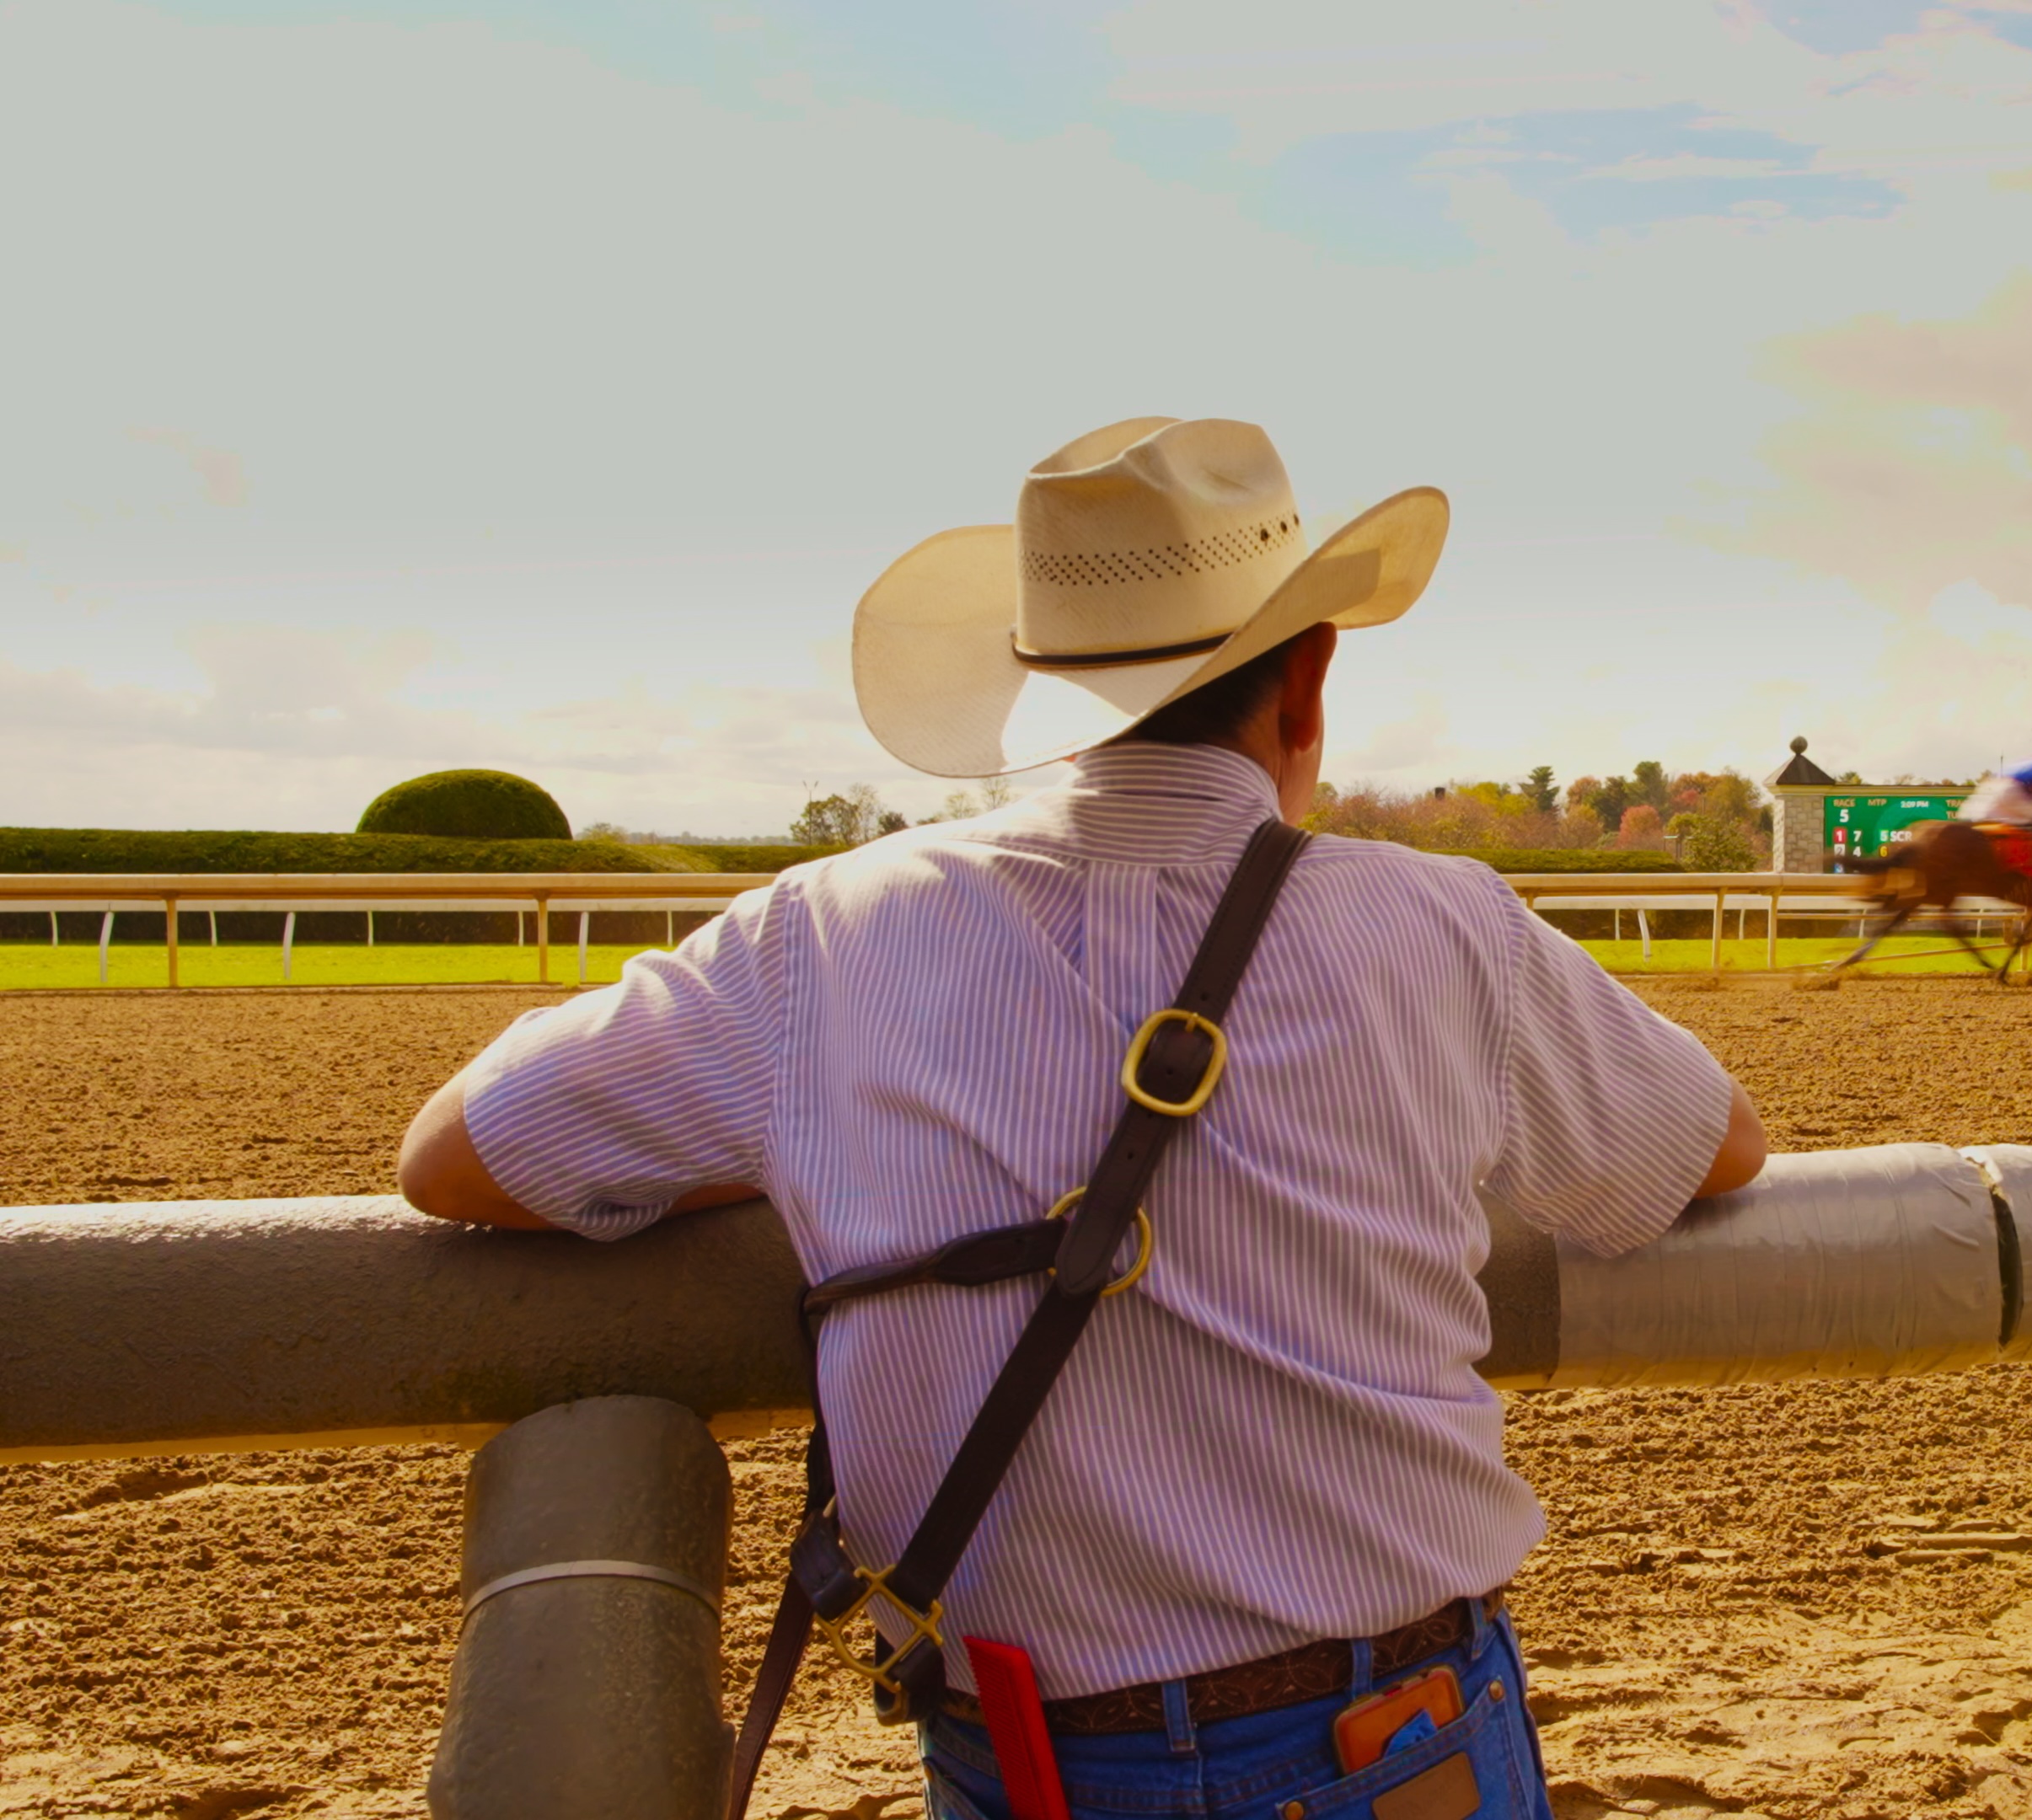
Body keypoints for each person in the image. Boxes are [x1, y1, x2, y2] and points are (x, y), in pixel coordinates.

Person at [394, 417, 1767, 1820]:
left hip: (1023, 1765)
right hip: (1399, 1742)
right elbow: (1707, 1149)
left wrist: (787, 1151)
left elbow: (455, 1158)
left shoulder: (821, 935)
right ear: (1311, 676)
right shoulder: (1442, 922)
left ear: (1047, 687)